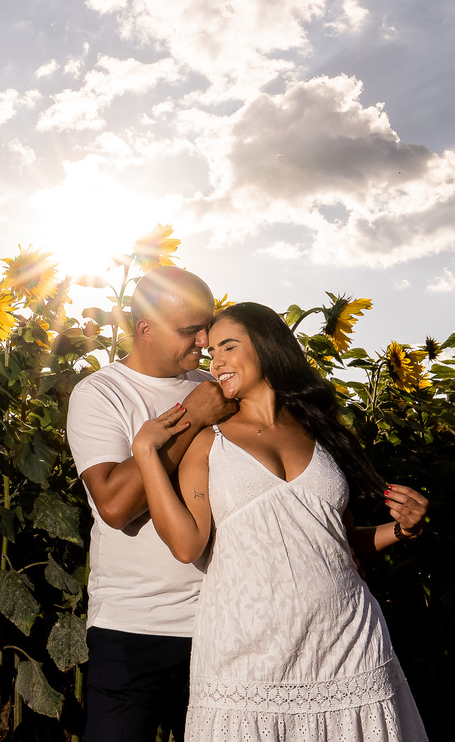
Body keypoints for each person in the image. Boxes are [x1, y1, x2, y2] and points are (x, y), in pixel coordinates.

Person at [133, 302, 429, 741]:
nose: (215, 362)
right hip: (245, 654)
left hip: (347, 643)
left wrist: (404, 528)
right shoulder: (207, 440)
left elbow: (337, 541)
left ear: (268, 348)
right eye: (212, 352)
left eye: (228, 347)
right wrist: (146, 454)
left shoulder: (320, 429)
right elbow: (186, 545)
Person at [66, 267, 235, 742]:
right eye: (189, 331)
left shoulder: (217, 386)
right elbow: (116, 507)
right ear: (146, 330)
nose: (205, 340)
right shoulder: (102, 394)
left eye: (208, 326)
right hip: (133, 628)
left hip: (222, 623)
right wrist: (195, 418)